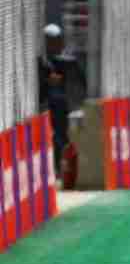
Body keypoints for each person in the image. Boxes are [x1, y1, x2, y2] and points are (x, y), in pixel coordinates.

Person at [37, 24, 82, 172]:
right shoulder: (41, 61)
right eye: (51, 40)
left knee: (62, 137)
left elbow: (78, 82)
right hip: (44, 107)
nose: (56, 43)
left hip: (61, 108)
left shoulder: (65, 61)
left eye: (57, 40)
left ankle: (60, 168)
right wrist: (47, 81)